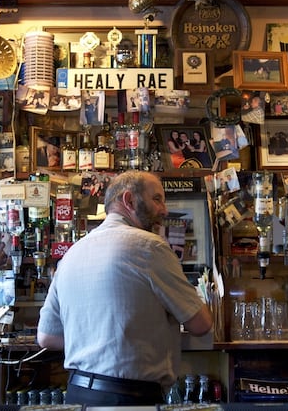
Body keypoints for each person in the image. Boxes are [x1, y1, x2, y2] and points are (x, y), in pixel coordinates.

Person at [37, 171, 213, 406]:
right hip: (128, 397)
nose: (164, 210)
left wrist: (97, 340)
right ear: (129, 200)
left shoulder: (72, 253)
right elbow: (201, 324)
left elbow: (47, 336)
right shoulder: (150, 246)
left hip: (77, 394)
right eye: (157, 199)